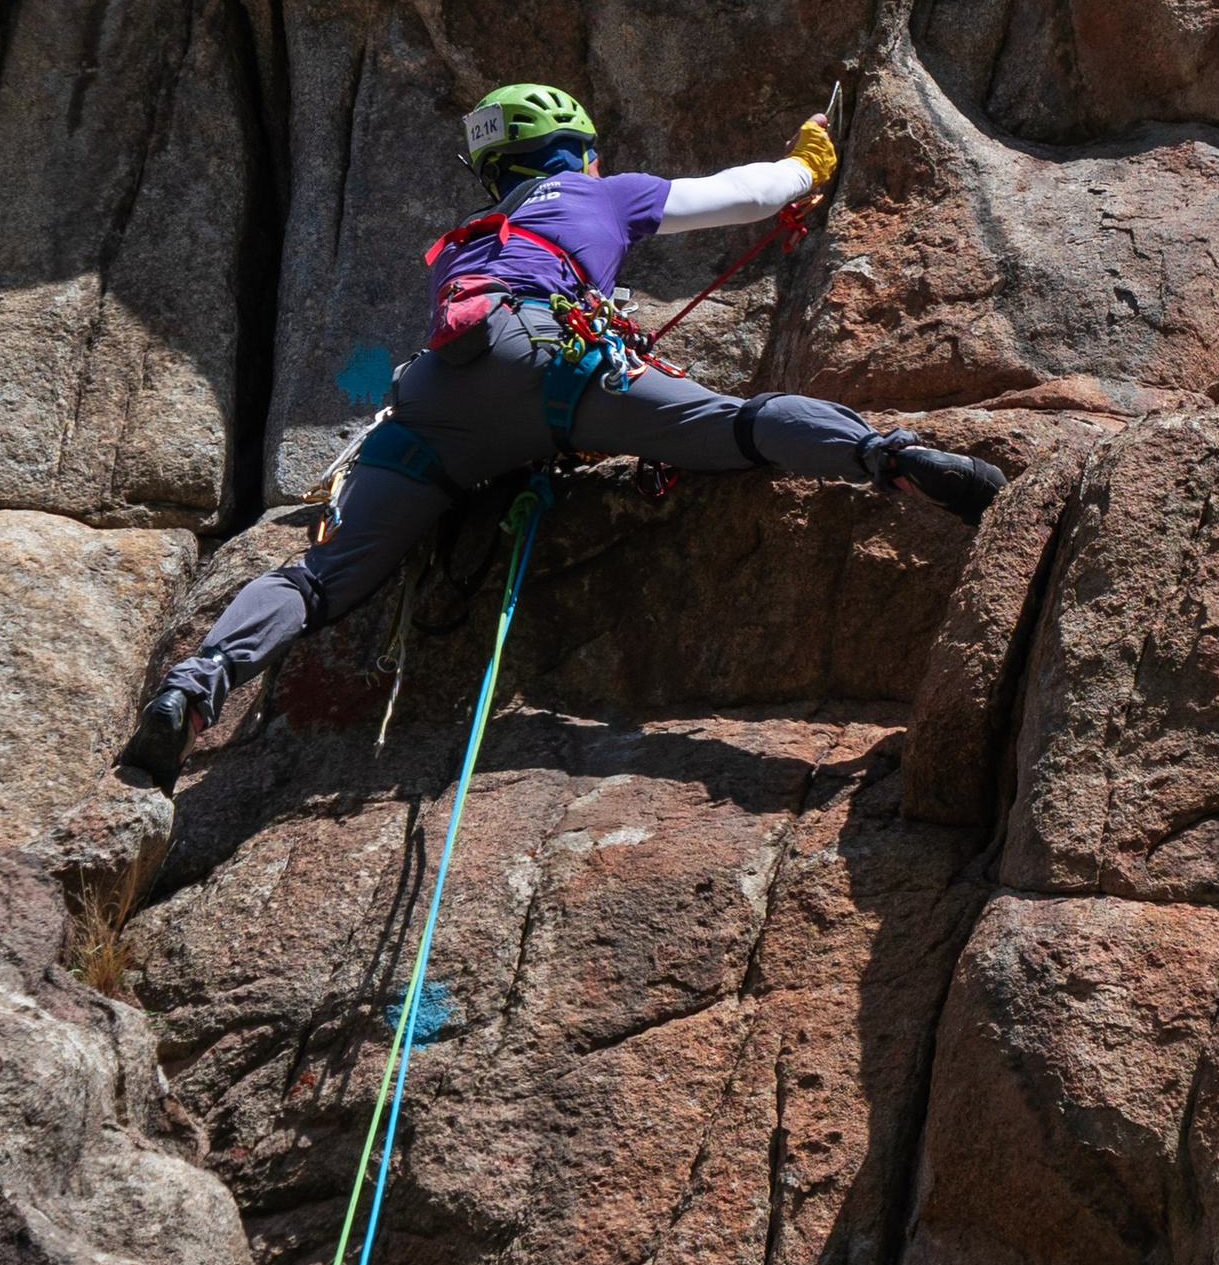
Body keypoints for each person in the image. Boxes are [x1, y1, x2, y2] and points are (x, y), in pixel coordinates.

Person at [114, 85, 1004, 793]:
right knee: (736, 424)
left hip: (437, 402)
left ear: (496, 167)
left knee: (319, 578)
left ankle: (191, 691)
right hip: (556, 368)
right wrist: (809, 160)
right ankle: (892, 457)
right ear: (574, 150)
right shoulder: (598, 193)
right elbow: (754, 193)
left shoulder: (471, 239)